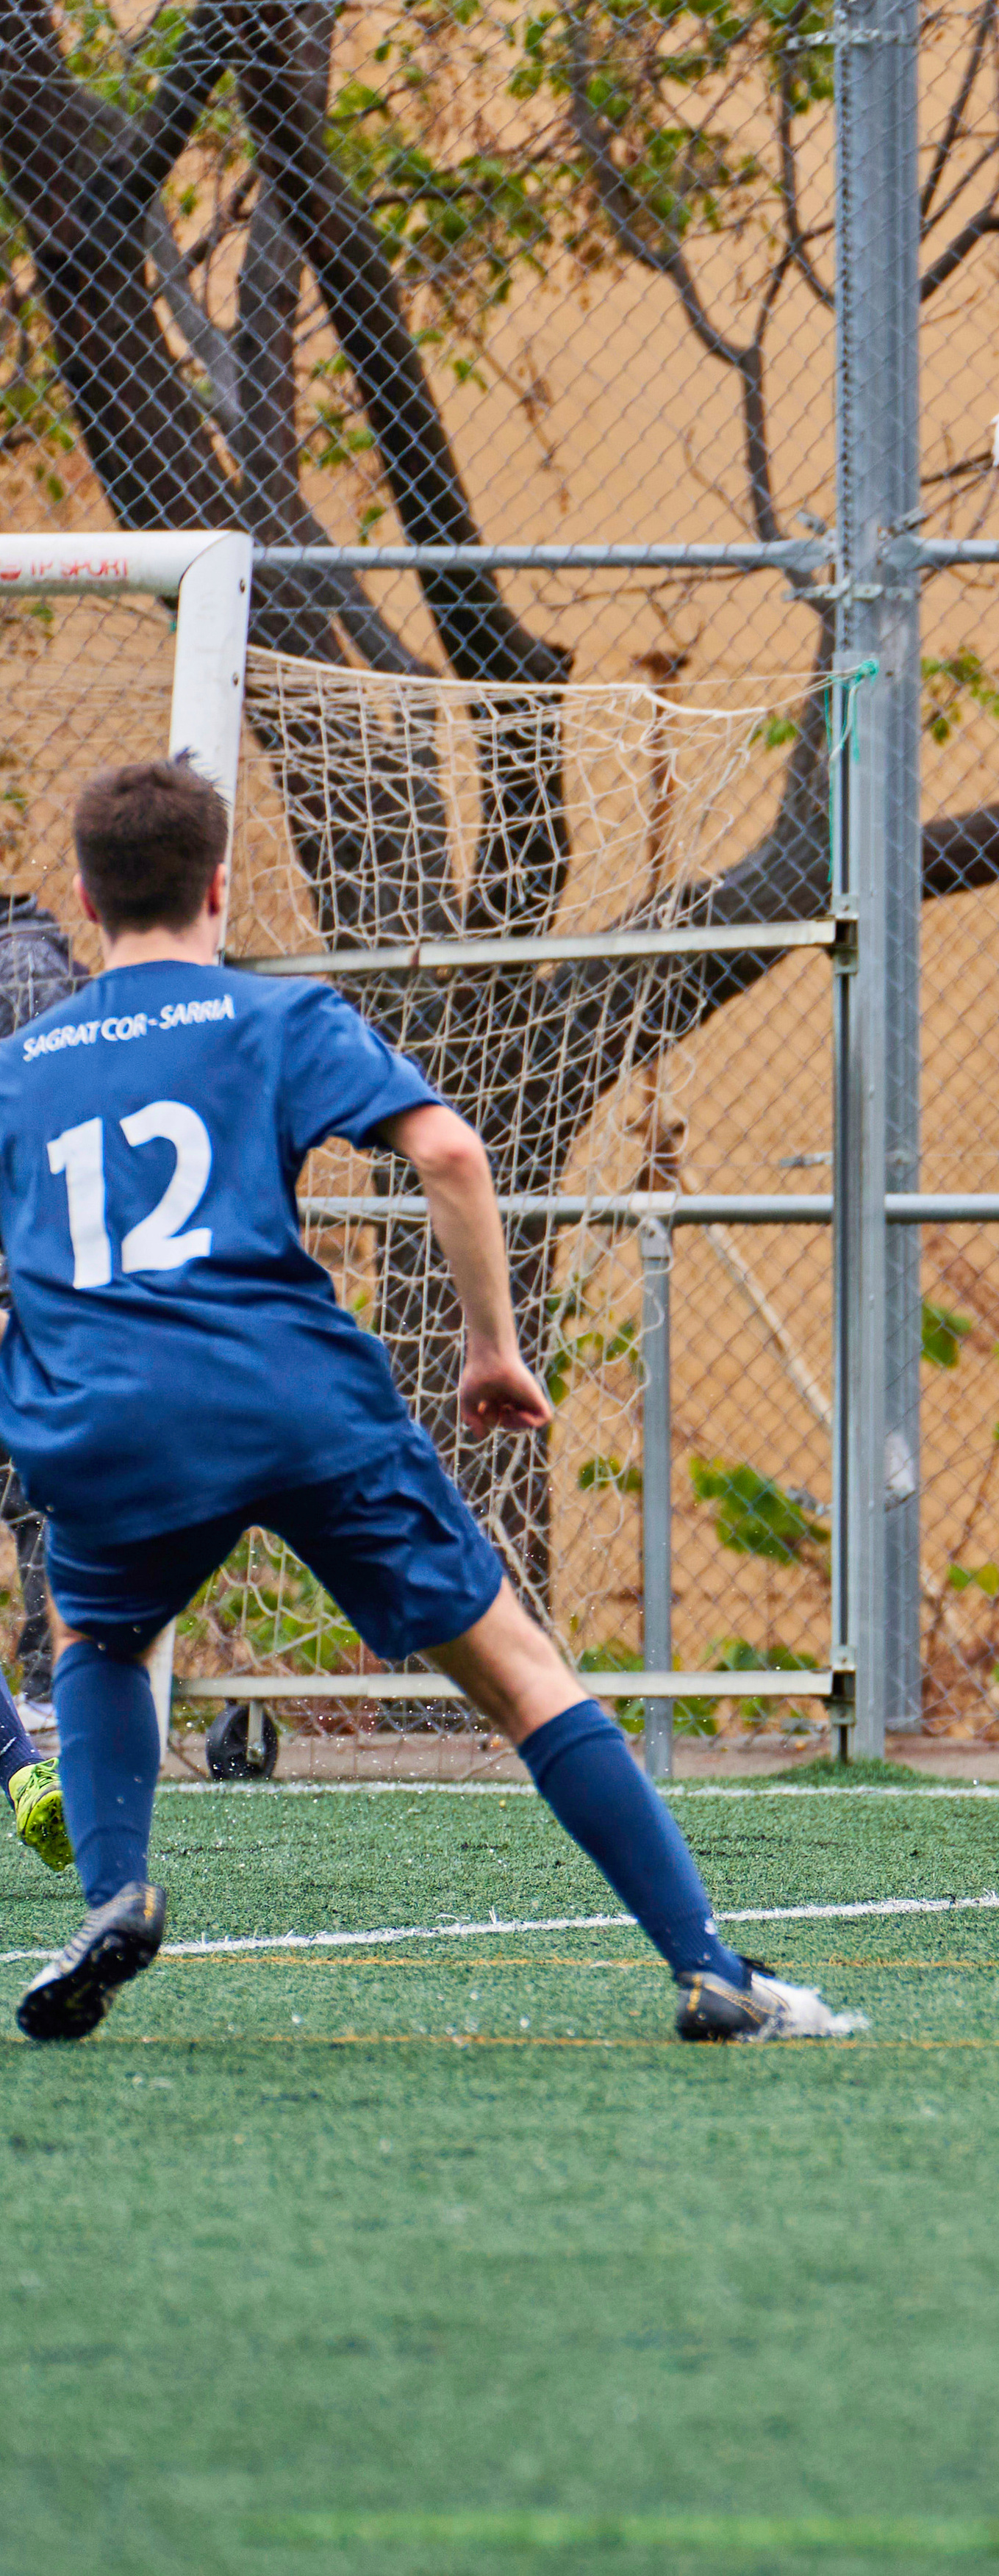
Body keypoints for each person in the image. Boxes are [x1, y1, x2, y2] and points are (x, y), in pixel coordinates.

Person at [0, 758, 862, 2042]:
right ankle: (714, 1968)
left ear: (83, 895)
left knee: (97, 1637)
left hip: (105, 1417)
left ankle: (117, 1886)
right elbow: (450, 1148)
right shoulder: (275, 1016)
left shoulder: (18, 1066)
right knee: (519, 1675)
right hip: (293, 1400)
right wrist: (492, 1348)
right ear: (221, 887)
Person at [0, 896, 79, 1875]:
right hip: (64, 1301)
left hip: (36, 1299)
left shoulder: (22, 972)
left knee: (47, 1514)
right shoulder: (47, 968)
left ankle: (30, 1742)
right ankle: (35, 1750)